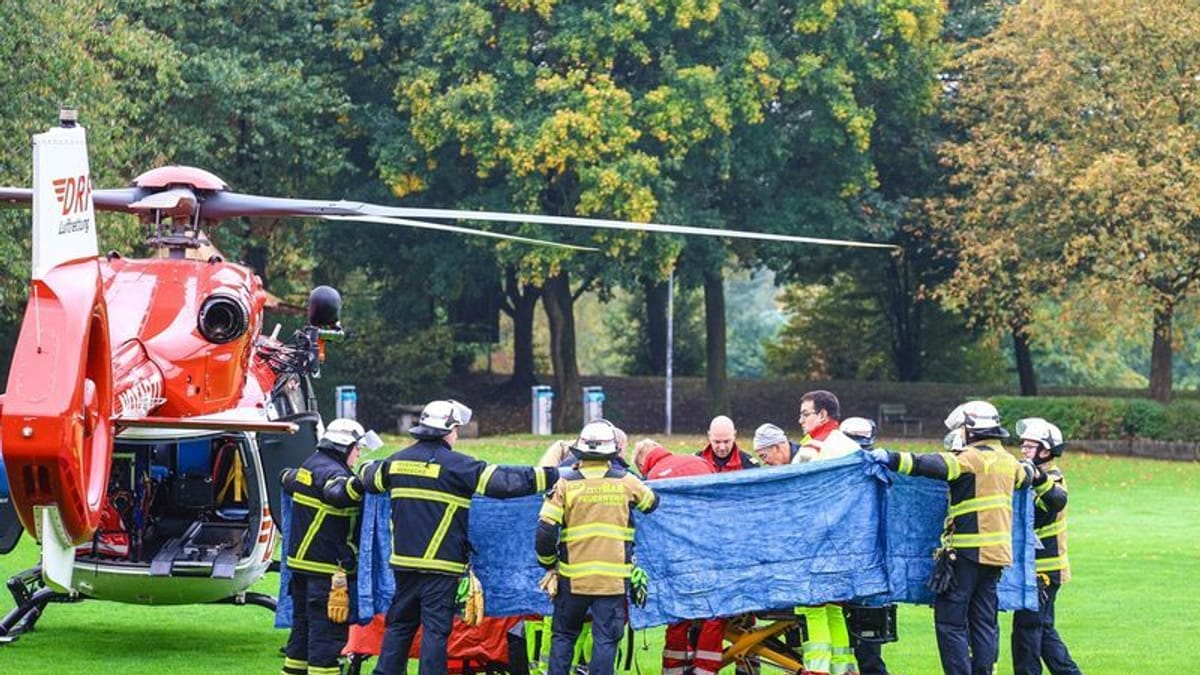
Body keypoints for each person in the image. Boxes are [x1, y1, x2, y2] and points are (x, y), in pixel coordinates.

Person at [359, 399, 560, 675]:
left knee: (399, 625)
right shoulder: (459, 466)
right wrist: (554, 475)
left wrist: (366, 466)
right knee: (435, 631)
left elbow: (368, 478)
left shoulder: (396, 462)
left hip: (403, 564)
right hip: (442, 567)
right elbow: (505, 483)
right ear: (449, 431)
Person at [867, 400, 1043, 675]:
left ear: (971, 430)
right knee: (983, 620)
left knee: (950, 621)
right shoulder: (1008, 462)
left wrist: (891, 458)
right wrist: (1036, 471)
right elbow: (1028, 475)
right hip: (998, 556)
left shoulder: (973, 458)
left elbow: (933, 465)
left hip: (967, 554)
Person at [536, 421, 659, 675]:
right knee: (605, 641)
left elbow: (545, 530)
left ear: (579, 450)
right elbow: (651, 503)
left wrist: (549, 565)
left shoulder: (565, 482)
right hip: (612, 582)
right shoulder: (626, 481)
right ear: (612, 452)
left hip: (572, 580)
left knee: (564, 637)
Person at [281, 418, 379, 675]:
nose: (358, 454)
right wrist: (362, 481)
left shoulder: (309, 464)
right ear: (344, 446)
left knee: (301, 634)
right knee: (327, 637)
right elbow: (337, 493)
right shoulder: (332, 473)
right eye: (357, 448)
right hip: (326, 570)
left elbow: (286, 479)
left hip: (301, 568)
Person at [631, 439, 723, 675]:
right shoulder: (699, 461)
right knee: (714, 612)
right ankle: (705, 669)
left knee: (677, 614)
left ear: (643, 463)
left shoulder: (653, 477)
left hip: (678, 556)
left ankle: (673, 669)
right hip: (712, 549)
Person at [793, 391, 860, 675]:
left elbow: (792, 494)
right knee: (834, 608)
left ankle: (817, 671)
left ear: (822, 415)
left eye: (805, 413)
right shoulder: (851, 446)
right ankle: (843, 670)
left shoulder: (813, 449)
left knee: (813, 607)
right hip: (845, 543)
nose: (800, 420)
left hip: (815, 541)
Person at [1010, 418, 1082, 675]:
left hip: (1044, 572)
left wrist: (1034, 477)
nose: (1023, 452)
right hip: (1037, 569)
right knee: (1043, 630)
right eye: (1024, 446)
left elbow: (1045, 509)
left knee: (1026, 630)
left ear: (1046, 451)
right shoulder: (1032, 480)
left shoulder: (1052, 481)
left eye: (1030, 447)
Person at [838, 417, 894, 675]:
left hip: (866, 567)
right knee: (848, 641)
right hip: (848, 564)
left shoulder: (879, 472)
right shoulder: (836, 473)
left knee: (867, 645)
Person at [796, 390, 861, 461]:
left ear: (822, 415)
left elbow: (795, 471)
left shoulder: (812, 447)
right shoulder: (854, 446)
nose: (800, 421)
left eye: (806, 415)